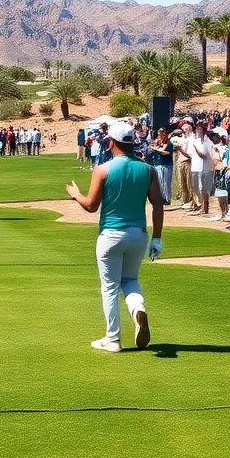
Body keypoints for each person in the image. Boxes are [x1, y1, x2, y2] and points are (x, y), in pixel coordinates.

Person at [66, 122, 164, 353]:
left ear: (111, 143)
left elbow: (91, 206)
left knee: (109, 287)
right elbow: (158, 204)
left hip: (111, 234)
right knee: (129, 280)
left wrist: (76, 194)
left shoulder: (103, 169)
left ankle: (113, 339)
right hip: (138, 234)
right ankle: (138, 309)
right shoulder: (148, 169)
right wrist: (157, 238)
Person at [148, 128, 173, 205]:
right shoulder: (159, 143)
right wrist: (155, 147)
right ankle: (162, 198)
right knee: (160, 182)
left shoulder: (169, 143)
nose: (159, 136)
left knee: (166, 182)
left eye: (160, 135)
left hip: (166, 164)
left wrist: (157, 149)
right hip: (158, 164)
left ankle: (167, 199)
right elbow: (152, 150)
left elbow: (167, 153)